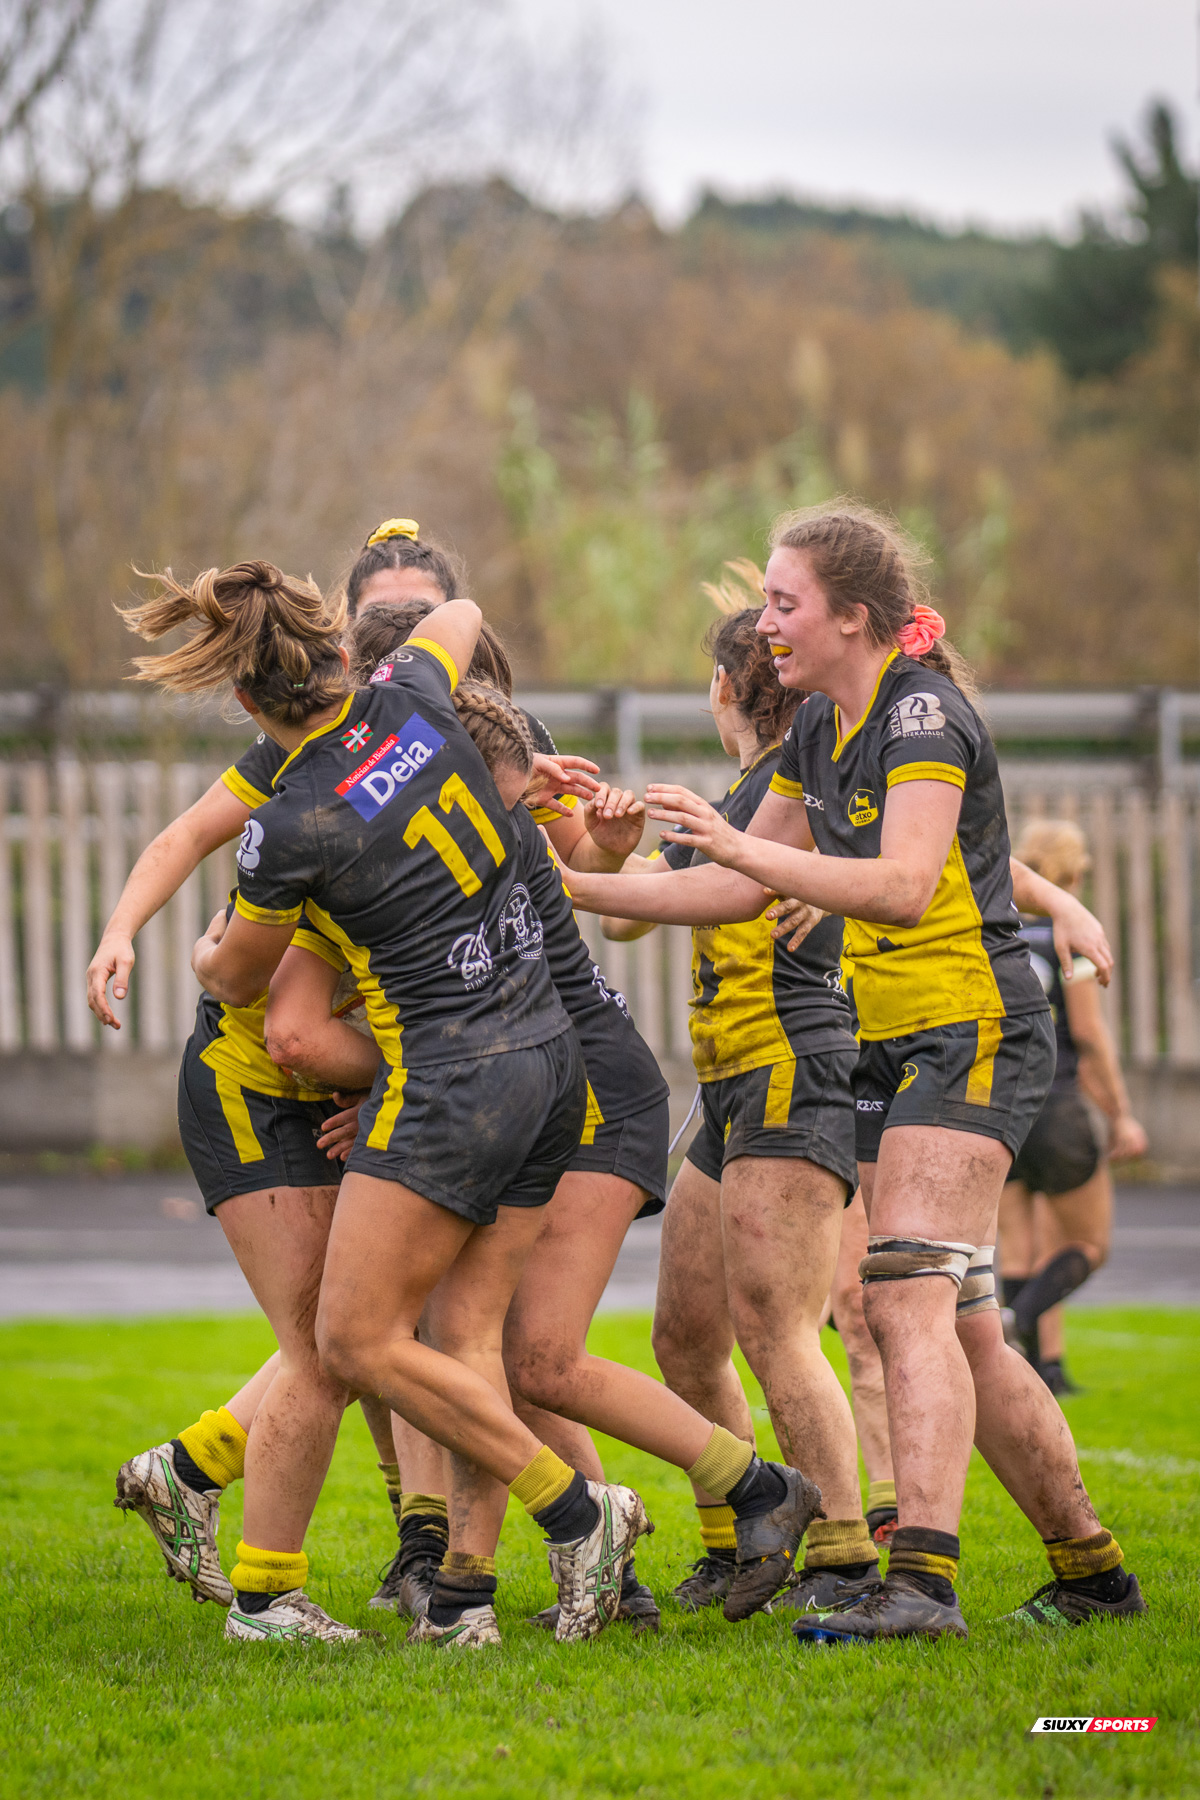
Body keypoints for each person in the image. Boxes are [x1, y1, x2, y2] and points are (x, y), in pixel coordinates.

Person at [563, 501, 1145, 1641]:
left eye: (786, 604)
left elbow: (906, 884)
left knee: (900, 1293)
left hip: (972, 1028)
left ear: (854, 617)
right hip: (895, 1045)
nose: (766, 626)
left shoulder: (921, 713)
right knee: (965, 1319)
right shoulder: (825, 731)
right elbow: (727, 890)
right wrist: (556, 883)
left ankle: (917, 1583)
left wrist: (739, 844)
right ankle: (1092, 1573)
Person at [269, 631, 826, 1630]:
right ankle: (532, 1574)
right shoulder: (473, 823)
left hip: (588, 1092)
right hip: (553, 1087)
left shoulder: (466, 832)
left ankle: (723, 1509)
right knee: (487, 1346)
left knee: (532, 1357)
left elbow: (320, 1019)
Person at [600, 586, 881, 1617]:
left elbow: (662, 907)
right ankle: (739, 1538)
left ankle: (849, 1561)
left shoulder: (798, 784)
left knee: (776, 1330)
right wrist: (598, 850)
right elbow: (645, 915)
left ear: (726, 687)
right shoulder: (746, 797)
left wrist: (562, 877)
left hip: (792, 1067)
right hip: (726, 1086)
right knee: (685, 1337)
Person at [998, 818, 1148, 1392]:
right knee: (1086, 1245)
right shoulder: (1070, 932)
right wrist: (1122, 1113)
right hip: (1057, 1103)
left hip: (1005, 1106)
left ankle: (1032, 1372)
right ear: (1073, 868)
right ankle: (1019, 1322)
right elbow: (1087, 1033)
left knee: (1019, 1247)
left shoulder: (1001, 929)